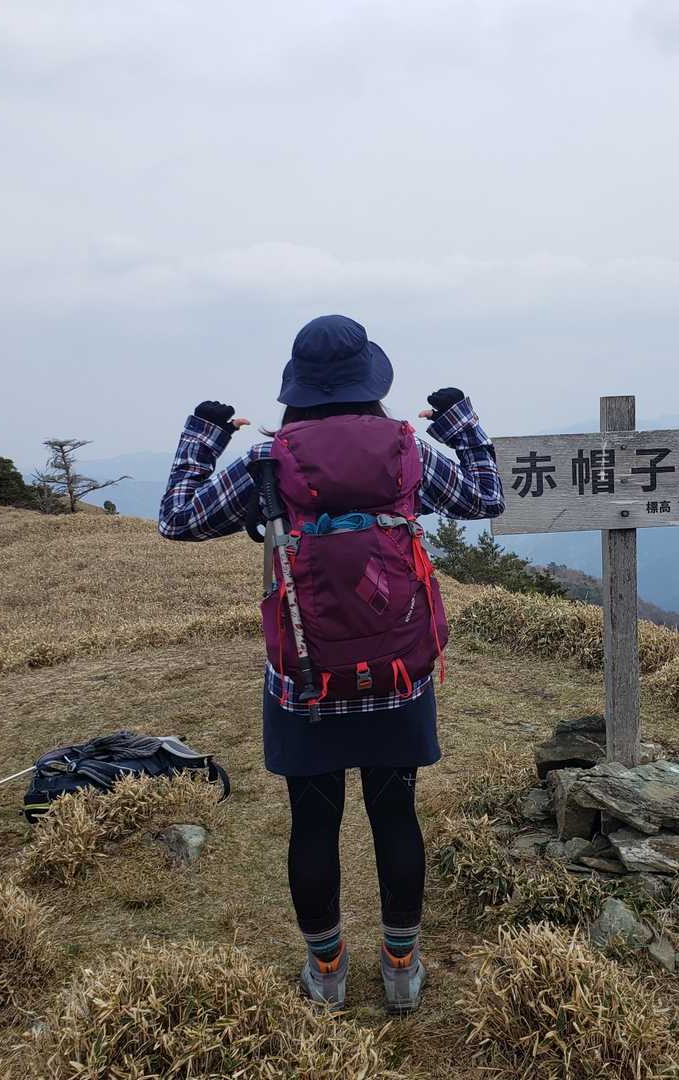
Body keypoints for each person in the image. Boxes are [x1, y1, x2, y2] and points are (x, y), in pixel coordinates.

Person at [158, 313, 505, 1013]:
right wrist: (460, 422)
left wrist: (203, 434)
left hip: (304, 681)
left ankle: (327, 972)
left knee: (313, 823)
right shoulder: (406, 450)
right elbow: (485, 497)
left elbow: (177, 519)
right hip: (399, 676)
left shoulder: (267, 459)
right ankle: (401, 968)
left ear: (298, 387)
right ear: (370, 381)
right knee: (395, 814)